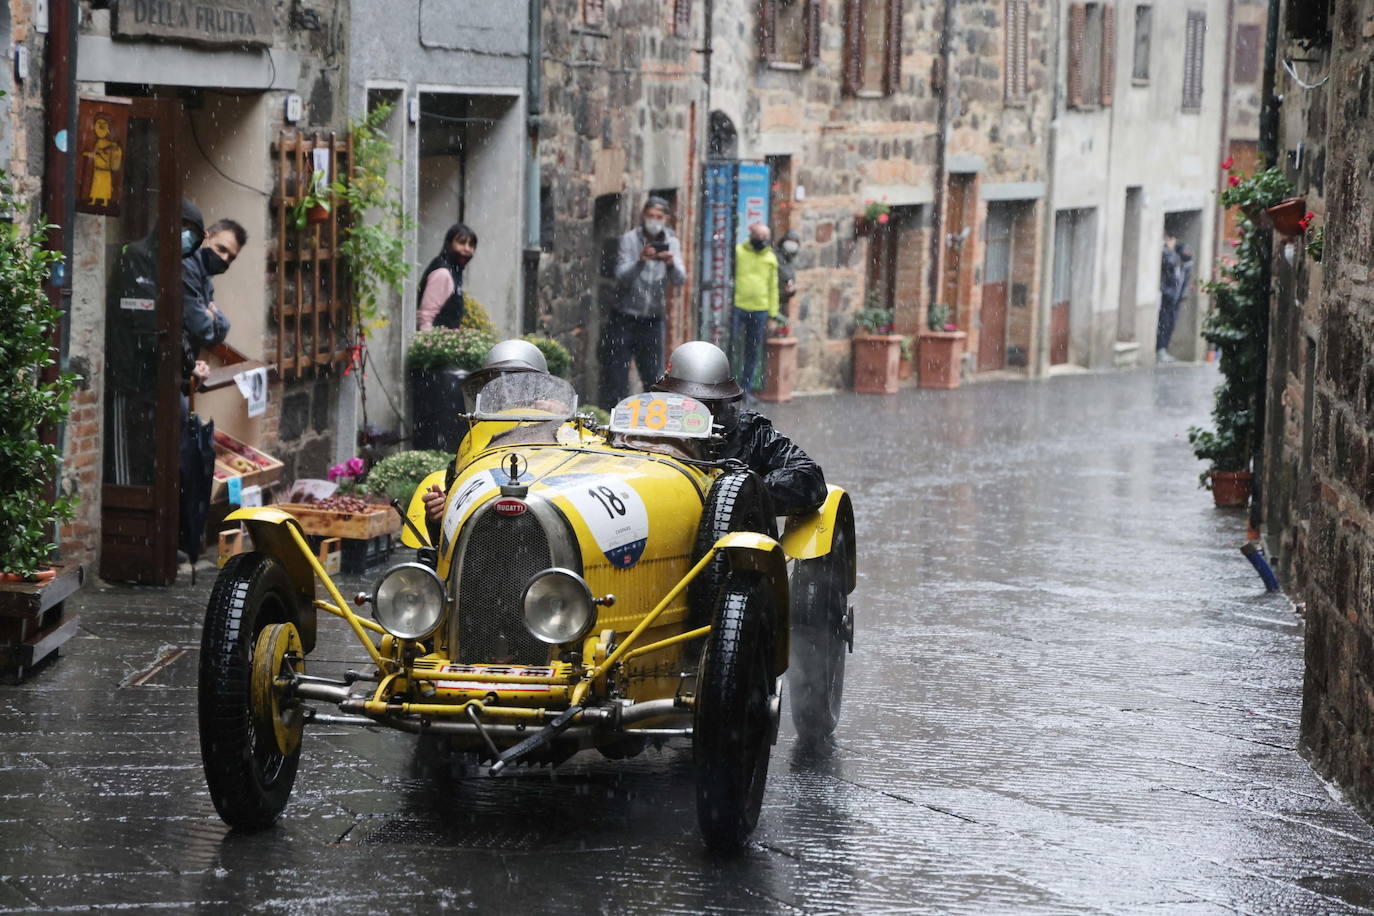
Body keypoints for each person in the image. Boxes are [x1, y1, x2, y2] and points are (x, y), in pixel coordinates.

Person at [653, 341, 825, 517]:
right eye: (680, 403)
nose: (690, 412)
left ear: (719, 403)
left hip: (733, 540)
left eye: (700, 405)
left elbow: (809, 477)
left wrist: (743, 492)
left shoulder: (749, 432)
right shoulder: (648, 427)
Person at [105, 198, 207, 486]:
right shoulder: (138, 259)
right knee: (126, 477)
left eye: (195, 236)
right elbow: (153, 326)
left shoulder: (168, 265)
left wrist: (186, 362)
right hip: (129, 384)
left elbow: (174, 325)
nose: (189, 239)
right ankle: (126, 528)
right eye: (187, 230)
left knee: (150, 468)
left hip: (154, 387)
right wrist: (186, 361)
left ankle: (148, 528)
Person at [422, 339, 551, 526]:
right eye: (497, 383)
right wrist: (442, 510)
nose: (509, 392)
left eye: (522, 384)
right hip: (480, 540)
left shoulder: (562, 430)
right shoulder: (476, 441)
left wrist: (560, 418)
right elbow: (444, 533)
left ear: (541, 388)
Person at [602, 196, 686, 408]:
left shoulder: (672, 243)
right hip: (623, 317)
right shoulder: (629, 240)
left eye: (659, 217)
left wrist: (670, 263)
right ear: (643, 216)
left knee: (652, 376)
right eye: (650, 216)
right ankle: (614, 417)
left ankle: (650, 422)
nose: (654, 220)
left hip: (652, 320)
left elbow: (679, 279)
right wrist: (640, 261)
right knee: (616, 377)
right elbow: (621, 276)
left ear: (666, 219)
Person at [183, 218, 245, 360]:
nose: (224, 258)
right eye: (221, 249)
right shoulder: (187, 265)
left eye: (231, 257)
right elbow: (200, 329)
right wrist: (211, 317)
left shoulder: (206, 278)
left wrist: (214, 318)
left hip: (186, 363)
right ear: (205, 238)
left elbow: (219, 331)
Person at [732, 223, 780, 399]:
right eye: (759, 236)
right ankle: (726, 387)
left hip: (760, 309)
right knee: (730, 347)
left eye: (765, 237)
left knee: (752, 351)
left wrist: (773, 315)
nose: (762, 240)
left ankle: (746, 389)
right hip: (737, 305)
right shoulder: (738, 252)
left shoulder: (770, 258)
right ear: (751, 235)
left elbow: (773, 287)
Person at [417, 223, 478, 331]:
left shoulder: (455, 270)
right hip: (435, 343)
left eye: (471, 245)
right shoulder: (443, 273)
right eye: (462, 242)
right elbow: (426, 317)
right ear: (449, 243)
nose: (467, 249)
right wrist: (427, 344)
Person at [1156, 233, 1184, 363]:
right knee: (1164, 323)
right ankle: (1161, 350)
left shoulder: (1176, 254)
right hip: (1167, 295)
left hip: (1173, 295)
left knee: (1169, 323)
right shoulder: (1167, 254)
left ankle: (1164, 349)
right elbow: (1169, 263)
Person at [776, 229, 801, 318]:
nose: (792, 244)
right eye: (790, 240)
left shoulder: (791, 261)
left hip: (782, 303)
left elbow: (789, 282)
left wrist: (791, 291)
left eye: (794, 242)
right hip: (772, 303)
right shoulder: (775, 256)